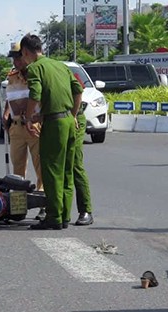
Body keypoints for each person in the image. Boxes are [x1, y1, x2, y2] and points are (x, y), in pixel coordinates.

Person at [20, 33, 83, 230]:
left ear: (26, 52)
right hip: (67, 122)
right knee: (66, 171)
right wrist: (72, 114)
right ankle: (64, 215)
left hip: (54, 126)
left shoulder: (35, 68)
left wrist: (29, 118)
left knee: (52, 171)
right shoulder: (60, 66)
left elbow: (35, 95)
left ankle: (54, 217)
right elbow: (78, 89)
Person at [2, 42, 45, 221]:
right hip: (17, 126)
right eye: (13, 58)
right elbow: (10, 97)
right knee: (17, 168)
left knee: (40, 168)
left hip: (35, 126)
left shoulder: (37, 73)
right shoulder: (12, 76)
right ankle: (19, 207)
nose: (16, 61)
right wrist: (5, 114)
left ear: (26, 55)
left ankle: (43, 205)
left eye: (19, 57)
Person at [72, 73, 94, 226]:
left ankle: (85, 210)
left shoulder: (63, 71)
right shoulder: (30, 74)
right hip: (51, 120)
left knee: (74, 163)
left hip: (73, 118)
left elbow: (79, 90)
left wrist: (73, 114)